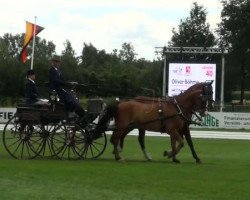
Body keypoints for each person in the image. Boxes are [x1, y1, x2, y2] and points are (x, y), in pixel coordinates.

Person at [49, 55, 86, 123]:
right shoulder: (52, 70)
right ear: (52, 62)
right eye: (55, 62)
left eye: (58, 62)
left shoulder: (58, 71)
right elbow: (56, 81)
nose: (57, 63)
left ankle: (78, 113)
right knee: (69, 98)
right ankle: (73, 112)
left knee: (72, 97)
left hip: (61, 89)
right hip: (56, 91)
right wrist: (67, 83)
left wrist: (70, 82)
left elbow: (63, 80)